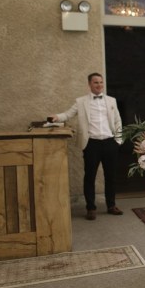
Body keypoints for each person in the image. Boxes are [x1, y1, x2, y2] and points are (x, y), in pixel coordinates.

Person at [49, 73, 123, 220]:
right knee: (89, 176)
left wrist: (118, 141)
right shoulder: (81, 101)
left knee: (111, 176)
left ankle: (111, 205)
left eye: (101, 82)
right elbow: (68, 114)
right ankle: (91, 208)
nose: (99, 85)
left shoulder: (111, 101)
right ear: (89, 84)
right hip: (91, 144)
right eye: (96, 82)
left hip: (109, 142)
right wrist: (57, 117)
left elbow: (117, 121)